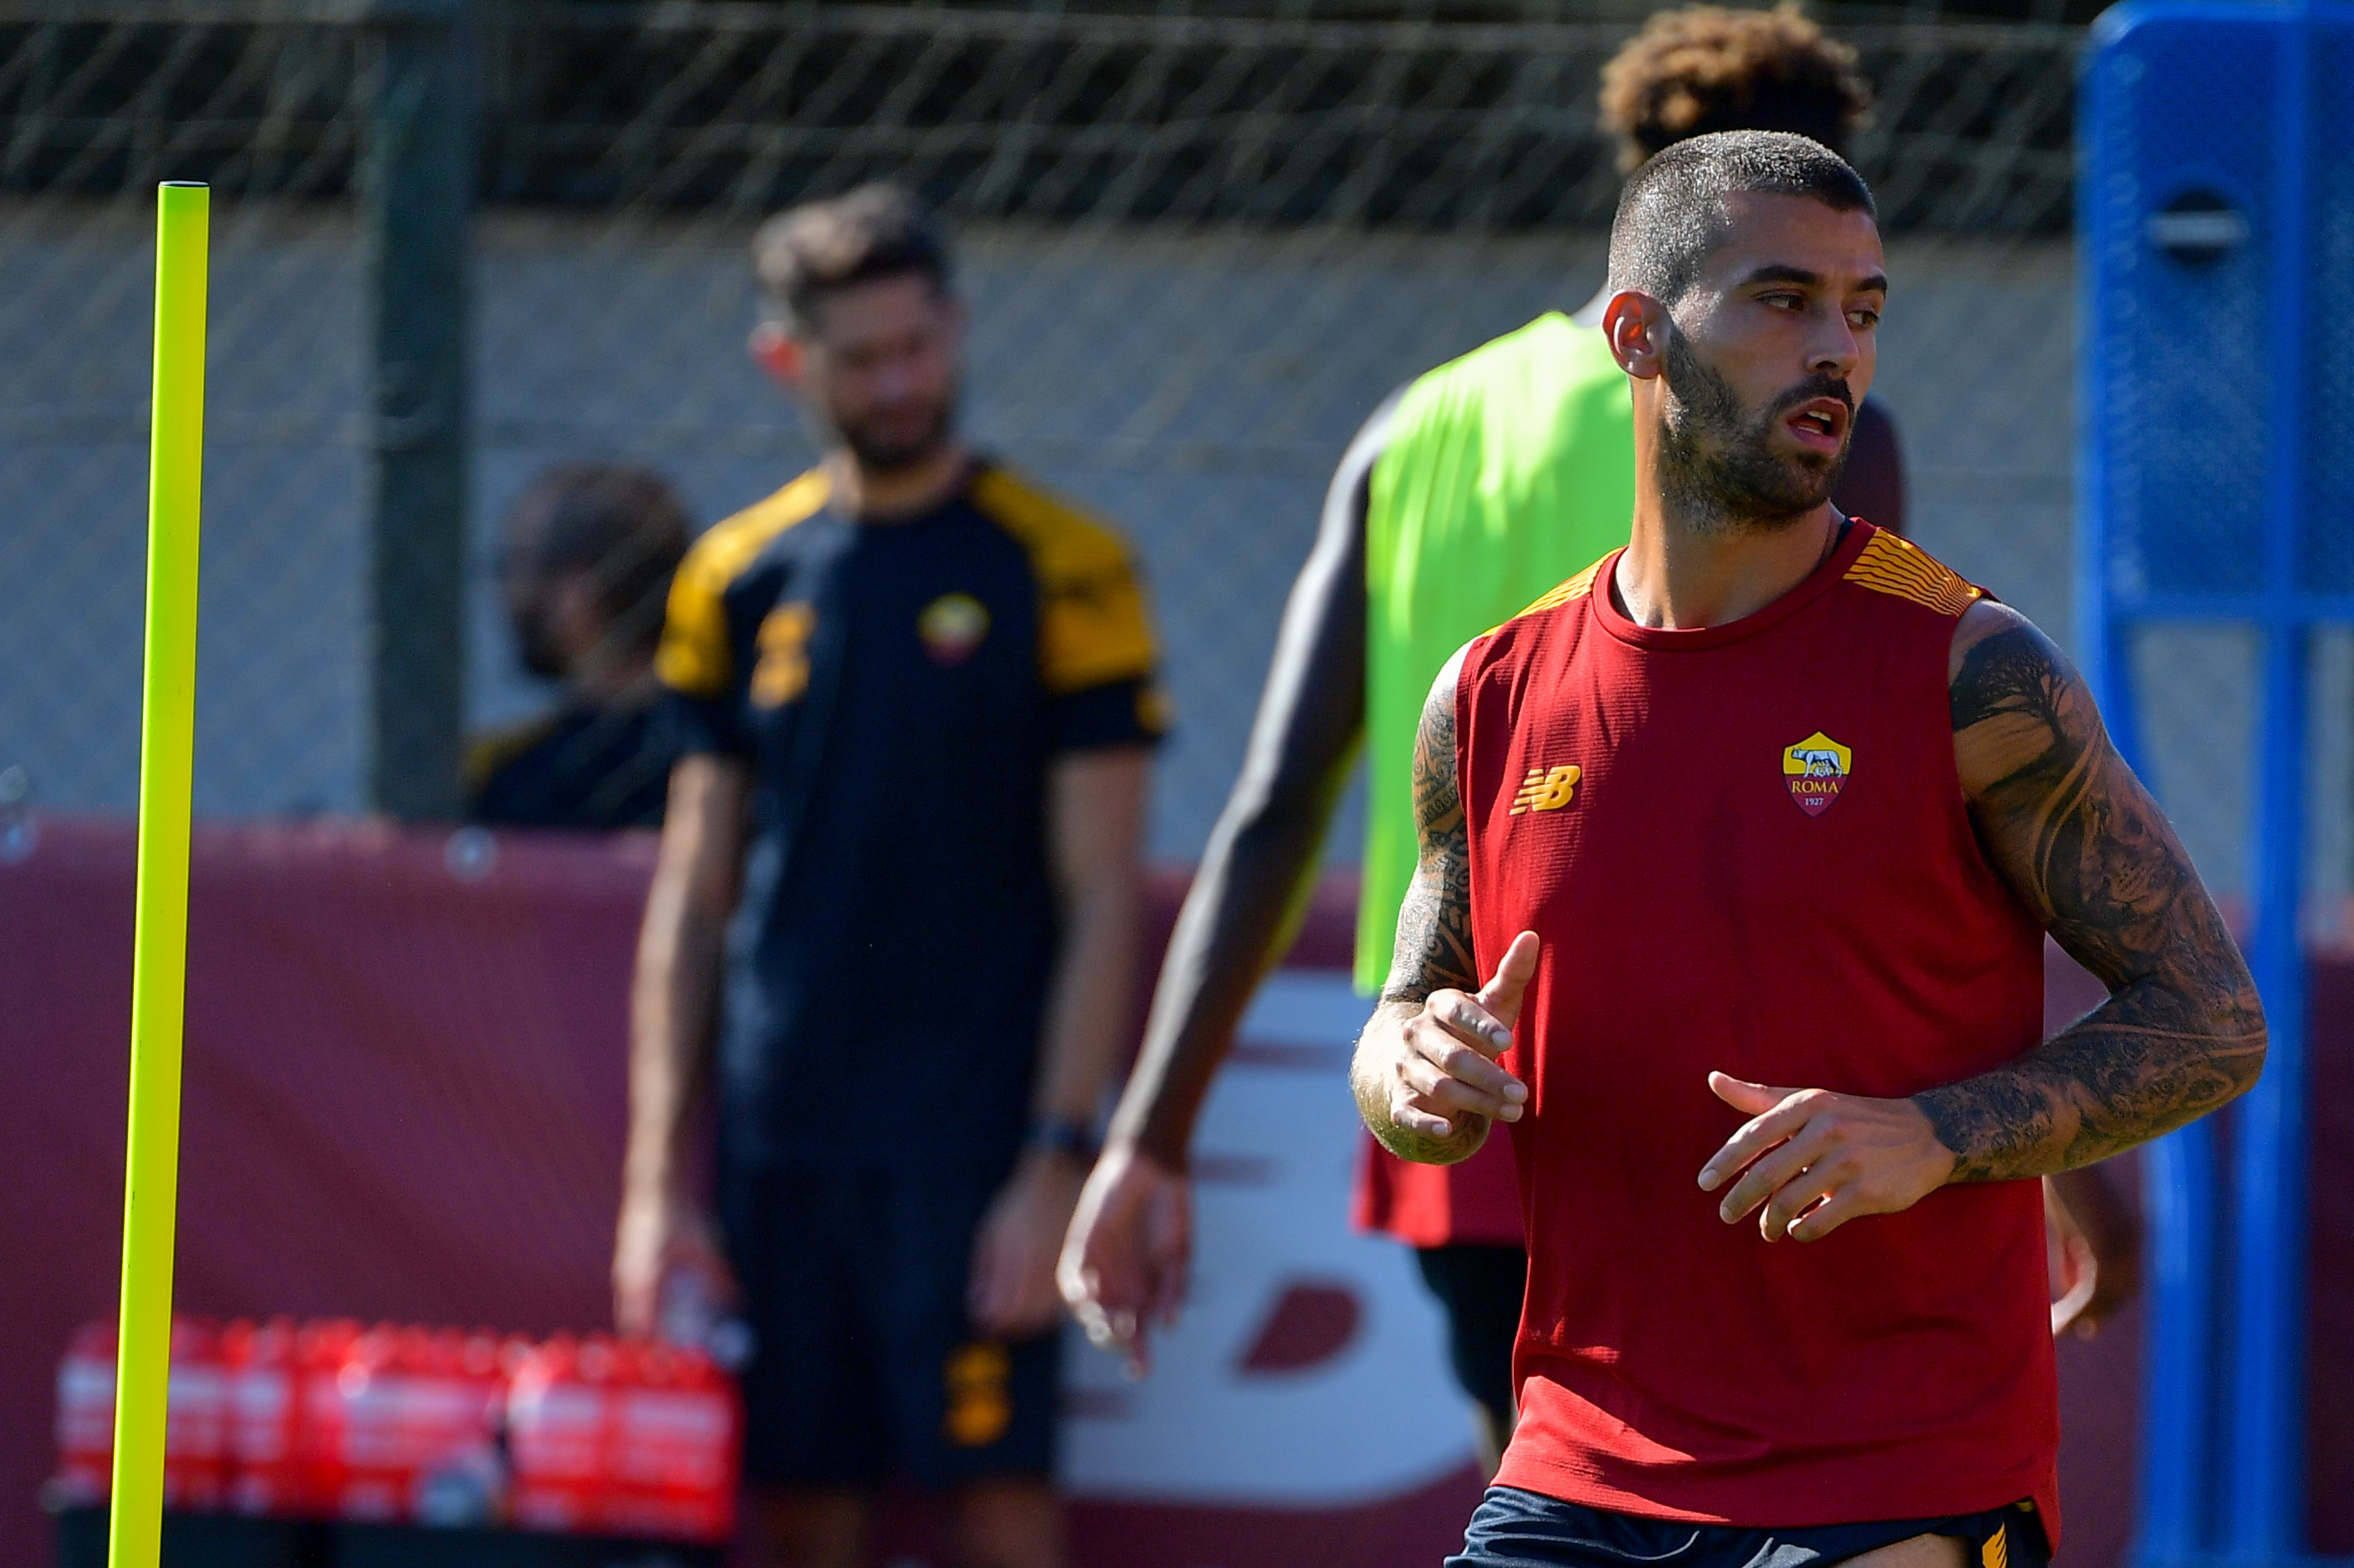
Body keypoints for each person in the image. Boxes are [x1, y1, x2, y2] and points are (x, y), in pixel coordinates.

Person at [1059, 3, 2134, 1475]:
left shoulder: (1419, 427)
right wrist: (2055, 1153)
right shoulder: (1804, 436)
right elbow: (1917, 781)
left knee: (1572, 1482)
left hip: (1472, 1092)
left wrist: (1149, 1135)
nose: (1827, 329)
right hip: (1740, 1110)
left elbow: (1271, 809)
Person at [1354, 130, 2263, 1568]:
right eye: (1783, 301)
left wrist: (1934, 1134)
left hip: (1899, 1470)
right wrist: (1410, 1065)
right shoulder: (1489, 689)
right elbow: (1410, 1018)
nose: (1835, 348)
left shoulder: (1969, 660)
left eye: (1864, 308)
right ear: (1637, 334)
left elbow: (2211, 1018)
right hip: (1580, 1460)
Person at [612, 184, 1167, 1568]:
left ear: (957, 328)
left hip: (977, 1140)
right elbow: (692, 894)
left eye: (921, 346)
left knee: (1000, 1516)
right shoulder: (734, 580)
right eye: (864, 358)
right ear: (784, 362)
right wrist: (657, 1189)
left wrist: (1054, 1162)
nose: (903, 382)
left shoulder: (1066, 568)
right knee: (798, 1516)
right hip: (785, 1134)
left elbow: (1104, 891)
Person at [467, 462, 692, 831]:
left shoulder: (519, 780)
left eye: (518, 565)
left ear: (577, 596)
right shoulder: (716, 754)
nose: (506, 593)